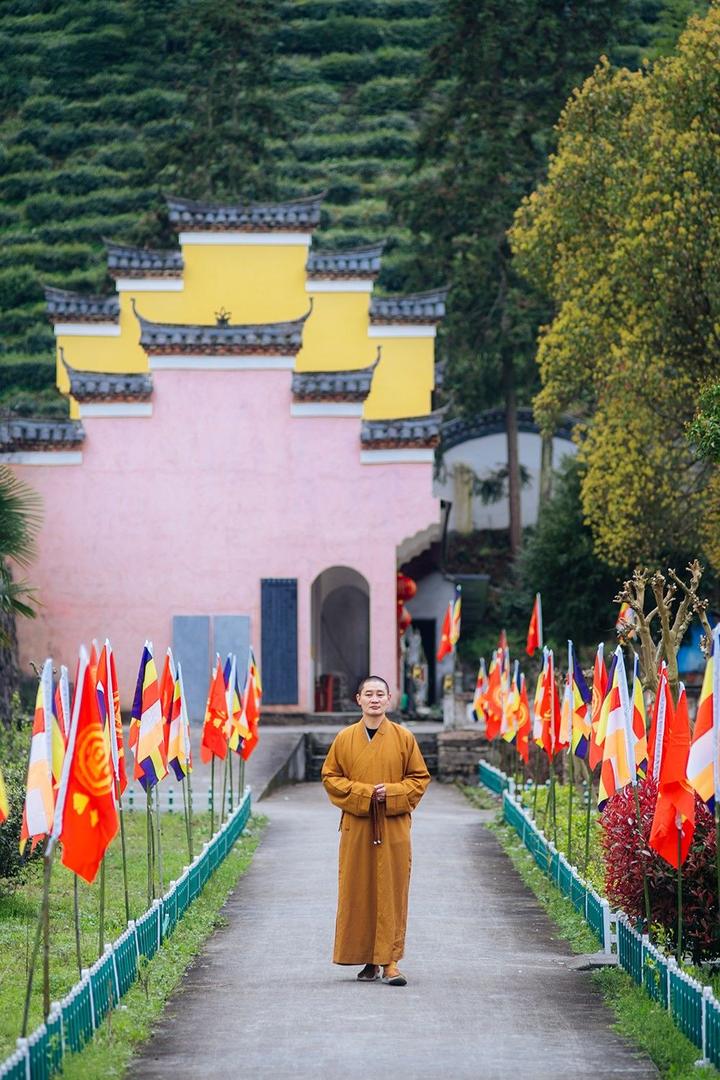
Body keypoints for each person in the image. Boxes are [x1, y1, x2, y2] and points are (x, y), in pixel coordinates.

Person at [321, 675, 430, 986]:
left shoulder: (403, 737)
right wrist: (364, 794)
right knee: (360, 889)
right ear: (358, 699)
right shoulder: (344, 738)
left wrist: (391, 793)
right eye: (368, 693)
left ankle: (391, 961)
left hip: (393, 827)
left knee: (392, 891)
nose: (374, 699)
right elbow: (330, 777)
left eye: (380, 694)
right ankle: (368, 959)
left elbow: (419, 779)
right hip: (357, 826)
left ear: (389, 699)